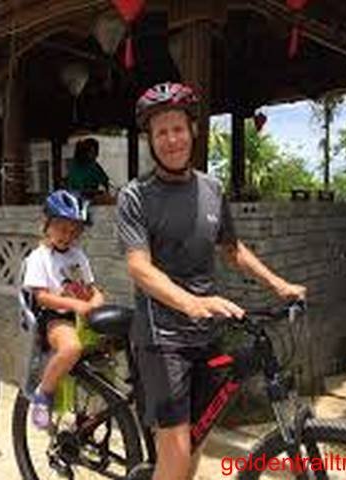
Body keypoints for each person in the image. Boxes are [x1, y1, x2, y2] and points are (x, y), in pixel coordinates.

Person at [116, 82, 307, 480]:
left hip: (206, 333)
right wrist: (193, 303)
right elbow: (139, 267)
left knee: (198, 440)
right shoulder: (135, 196)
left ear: (193, 131)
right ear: (150, 139)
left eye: (178, 128)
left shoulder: (212, 188)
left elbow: (232, 249)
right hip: (162, 337)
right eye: (161, 132)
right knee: (176, 453)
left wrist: (279, 285)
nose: (171, 139)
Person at [21, 189, 104, 429]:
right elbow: (42, 298)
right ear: (47, 224)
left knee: (109, 350)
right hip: (55, 318)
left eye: (74, 231)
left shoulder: (78, 256)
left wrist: (96, 301)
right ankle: (43, 394)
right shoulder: (39, 257)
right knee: (71, 348)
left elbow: (92, 289)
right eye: (62, 228)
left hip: (82, 315)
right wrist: (76, 304)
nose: (68, 236)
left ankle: (93, 408)